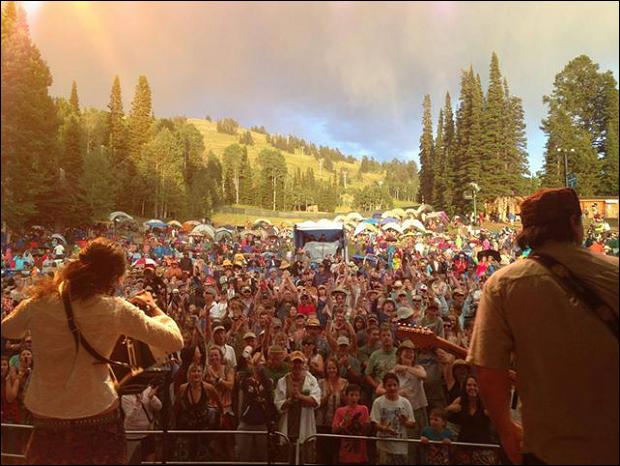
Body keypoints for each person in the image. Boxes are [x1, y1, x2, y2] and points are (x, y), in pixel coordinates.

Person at [467, 188, 619, 465]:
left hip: (549, 449)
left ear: (526, 230)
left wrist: (506, 430)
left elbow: (488, 369)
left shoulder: (503, 284)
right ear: (575, 222)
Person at [1, 238, 184, 465]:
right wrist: (154, 307)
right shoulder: (114, 309)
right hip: (98, 418)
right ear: (114, 276)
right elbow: (174, 340)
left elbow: (9, 329)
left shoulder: (38, 303)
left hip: (47, 420)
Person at [274, 351, 321, 461]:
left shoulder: (311, 380)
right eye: (294, 362)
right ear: (290, 364)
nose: (297, 365)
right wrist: (290, 400)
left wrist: (300, 397)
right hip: (287, 429)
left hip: (305, 429)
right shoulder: (282, 381)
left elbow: (316, 401)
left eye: (299, 362)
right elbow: (278, 404)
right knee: (286, 460)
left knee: (306, 460)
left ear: (303, 364)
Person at [173, 363, 223, 462]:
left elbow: (219, 404)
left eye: (199, 371)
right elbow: (176, 407)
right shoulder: (183, 388)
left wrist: (219, 418)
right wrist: (174, 423)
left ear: (202, 374)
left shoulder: (208, 388)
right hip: (187, 427)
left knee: (204, 457)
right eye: (193, 371)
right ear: (189, 374)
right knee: (185, 456)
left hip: (203, 427)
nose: (196, 374)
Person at [370, 372, 416, 465]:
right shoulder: (378, 402)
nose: (392, 388)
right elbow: (374, 422)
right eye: (389, 385)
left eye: (395, 385)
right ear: (385, 386)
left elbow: (413, 424)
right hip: (383, 446)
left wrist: (405, 422)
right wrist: (384, 429)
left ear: (398, 386)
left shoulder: (405, 402)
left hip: (401, 447)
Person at [316, 357, 348, 465]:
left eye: (334, 368)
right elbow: (318, 403)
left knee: (337, 452)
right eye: (329, 368)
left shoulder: (344, 382)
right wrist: (329, 393)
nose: (332, 370)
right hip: (323, 422)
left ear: (338, 369)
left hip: (339, 423)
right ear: (325, 370)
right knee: (324, 453)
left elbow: (349, 403)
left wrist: (342, 393)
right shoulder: (320, 383)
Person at [121, 385, 162, 464]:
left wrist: (151, 398)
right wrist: (138, 403)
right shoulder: (125, 396)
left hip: (148, 432)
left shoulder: (147, 389)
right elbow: (131, 418)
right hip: (132, 435)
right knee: (133, 460)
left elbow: (159, 406)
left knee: (150, 459)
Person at [332, 383, 370, 465]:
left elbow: (367, 429)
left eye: (356, 395)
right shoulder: (340, 411)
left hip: (361, 453)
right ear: (346, 396)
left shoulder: (364, 409)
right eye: (351, 395)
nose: (354, 398)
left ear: (359, 396)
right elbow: (334, 430)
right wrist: (343, 423)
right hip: (346, 453)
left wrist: (367, 425)